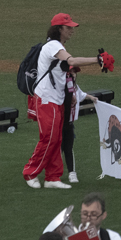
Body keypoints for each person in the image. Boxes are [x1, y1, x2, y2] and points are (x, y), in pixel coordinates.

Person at [24, 14, 103, 190]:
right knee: (49, 138)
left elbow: (63, 73)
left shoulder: (58, 46)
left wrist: (71, 93)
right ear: (59, 29)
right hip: (46, 100)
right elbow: (72, 62)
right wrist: (98, 60)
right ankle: (30, 172)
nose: (72, 31)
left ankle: (53, 177)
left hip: (55, 100)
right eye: (68, 28)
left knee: (56, 138)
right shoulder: (53, 45)